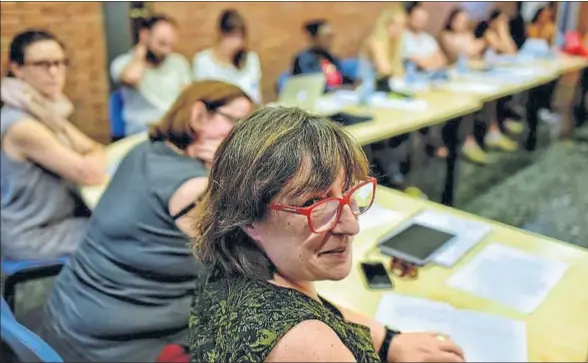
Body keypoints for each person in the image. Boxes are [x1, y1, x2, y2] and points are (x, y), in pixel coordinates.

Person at [189, 106, 466, 362]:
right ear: (248, 217)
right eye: (313, 204)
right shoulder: (307, 345)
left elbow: (317, 306)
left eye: (348, 193)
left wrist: (389, 341)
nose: (351, 226)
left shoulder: (229, 259)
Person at [39, 81, 252, 362]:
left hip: (67, 316)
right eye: (237, 123)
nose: (244, 137)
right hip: (112, 343)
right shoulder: (193, 187)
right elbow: (246, 260)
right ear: (198, 116)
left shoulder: (143, 151)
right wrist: (227, 173)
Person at [0, 30, 106, 260]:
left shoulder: (42, 110)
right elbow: (91, 172)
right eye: (42, 64)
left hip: (61, 218)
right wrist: (91, 156)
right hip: (35, 234)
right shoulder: (21, 125)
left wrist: (92, 154)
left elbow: (93, 148)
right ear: (17, 69)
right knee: (128, 233)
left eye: (60, 63)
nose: (55, 72)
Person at [439, 8, 514, 162]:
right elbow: (464, 53)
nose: (463, 24)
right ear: (451, 20)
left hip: (472, 75)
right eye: (459, 20)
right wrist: (484, 41)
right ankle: (468, 142)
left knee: (491, 95)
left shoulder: (467, 35)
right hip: (453, 80)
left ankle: (493, 132)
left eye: (465, 21)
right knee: (469, 101)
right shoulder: (446, 36)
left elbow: (479, 52)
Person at [110, 15, 191, 135]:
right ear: (145, 35)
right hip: (142, 130)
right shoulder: (123, 63)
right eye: (162, 43)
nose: (166, 51)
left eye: (170, 44)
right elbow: (131, 78)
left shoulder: (178, 62)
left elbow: (187, 96)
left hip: (172, 129)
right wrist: (140, 52)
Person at [193, 9, 262, 103]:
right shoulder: (203, 60)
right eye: (231, 36)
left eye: (240, 37)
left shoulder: (250, 59)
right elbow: (201, 97)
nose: (236, 43)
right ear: (221, 34)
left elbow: (255, 96)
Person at [291, 19, 354, 89]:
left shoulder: (330, 57)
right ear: (315, 38)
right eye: (326, 37)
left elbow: (342, 77)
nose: (330, 40)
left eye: (331, 36)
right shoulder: (304, 60)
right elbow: (312, 84)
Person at [402, 2, 447, 71]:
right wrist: (430, 60)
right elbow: (413, 62)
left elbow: (442, 60)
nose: (420, 22)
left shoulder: (428, 38)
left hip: (433, 76)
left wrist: (424, 62)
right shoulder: (401, 37)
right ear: (408, 18)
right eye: (417, 19)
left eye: (423, 20)